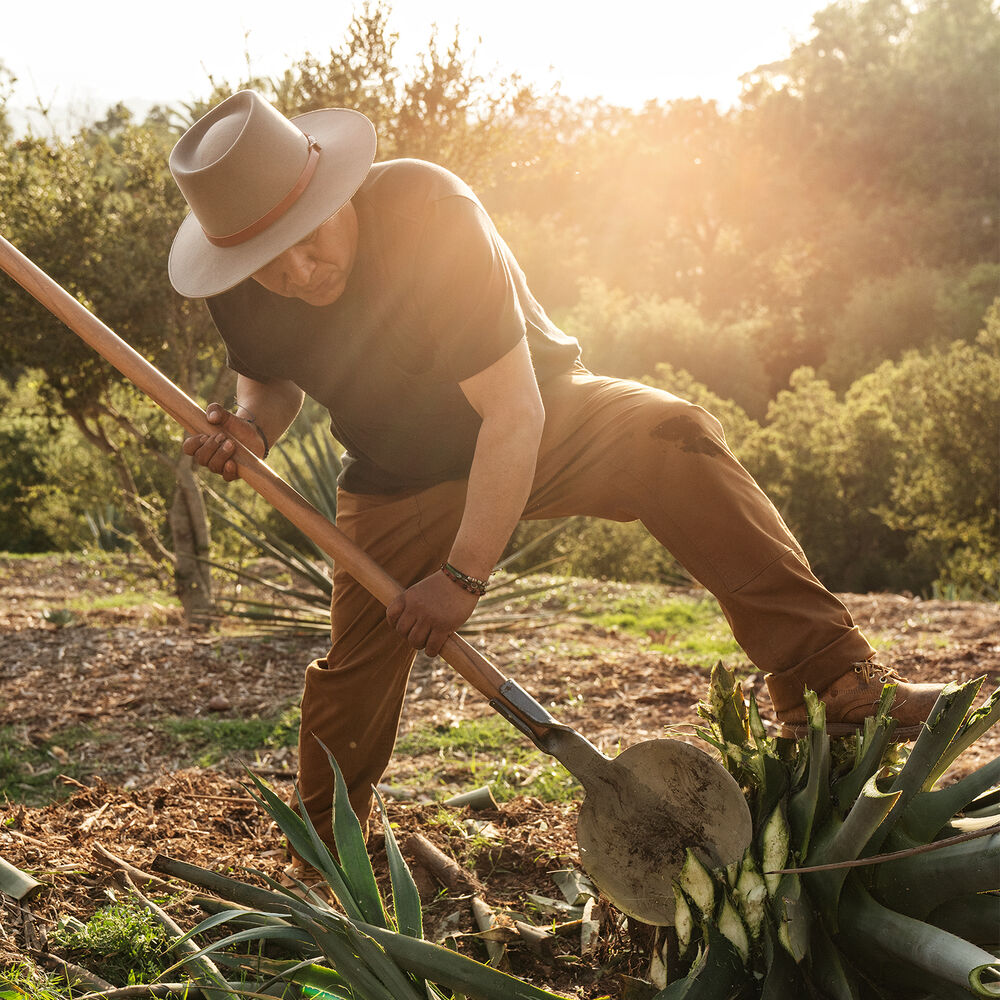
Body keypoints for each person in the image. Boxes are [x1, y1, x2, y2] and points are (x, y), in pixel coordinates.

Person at [168, 90, 942, 850]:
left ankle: (830, 684)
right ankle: (332, 844)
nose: (302, 273)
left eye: (313, 239)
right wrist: (249, 431)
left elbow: (513, 416)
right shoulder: (238, 284)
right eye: (276, 266)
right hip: (397, 474)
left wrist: (462, 578)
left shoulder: (428, 218)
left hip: (543, 417)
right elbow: (270, 382)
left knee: (672, 435)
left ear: (336, 191)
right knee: (355, 669)